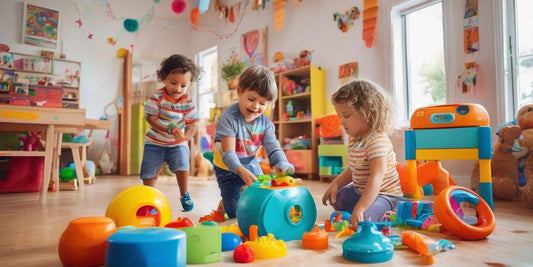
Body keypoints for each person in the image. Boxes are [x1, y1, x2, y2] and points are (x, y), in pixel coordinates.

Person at [213, 65, 295, 218]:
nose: (256, 106)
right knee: (234, 213)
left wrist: (282, 162)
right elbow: (228, 153)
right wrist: (240, 170)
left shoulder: (265, 124)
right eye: (251, 99)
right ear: (240, 91)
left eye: (263, 103)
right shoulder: (228, 119)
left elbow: (273, 148)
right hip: (227, 168)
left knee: (261, 199)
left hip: (250, 162)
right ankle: (226, 203)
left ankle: (242, 193)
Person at [322, 79, 404, 226]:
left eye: (346, 116)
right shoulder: (355, 139)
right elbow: (353, 168)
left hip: (385, 195)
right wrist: (336, 184)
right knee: (338, 199)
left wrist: (360, 208)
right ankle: (360, 211)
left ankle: (386, 213)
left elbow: (376, 179)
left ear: (368, 113)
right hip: (361, 190)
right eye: (340, 117)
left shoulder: (376, 141)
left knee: (365, 219)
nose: (341, 122)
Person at [140, 54, 200, 212]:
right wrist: (168, 128)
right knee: (149, 171)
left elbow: (192, 122)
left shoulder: (187, 101)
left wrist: (187, 136)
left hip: (176, 144)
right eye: (173, 83)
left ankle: (184, 194)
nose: (178, 89)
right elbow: (151, 118)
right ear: (164, 78)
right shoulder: (157, 97)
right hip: (154, 142)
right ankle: (149, 197)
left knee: (182, 165)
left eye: (183, 85)